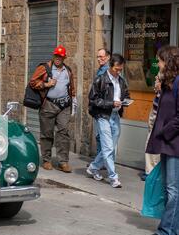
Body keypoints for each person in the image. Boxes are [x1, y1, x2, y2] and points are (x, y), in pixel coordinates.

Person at [145, 45, 179, 235]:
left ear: (168, 62)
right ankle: (172, 228)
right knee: (169, 188)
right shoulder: (169, 83)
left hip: (174, 143)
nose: (158, 64)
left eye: (160, 61)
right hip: (169, 143)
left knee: (173, 190)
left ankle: (166, 230)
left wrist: (165, 132)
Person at [29, 45, 76, 173]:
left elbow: (72, 88)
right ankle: (46, 160)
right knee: (47, 133)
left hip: (64, 106)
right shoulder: (44, 68)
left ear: (64, 57)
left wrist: (74, 102)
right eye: (56, 55)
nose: (58, 58)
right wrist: (46, 84)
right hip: (48, 104)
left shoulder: (68, 70)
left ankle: (63, 162)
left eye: (60, 56)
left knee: (63, 132)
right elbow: (32, 82)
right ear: (53, 55)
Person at [87, 54, 130, 188]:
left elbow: (126, 94)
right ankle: (113, 177)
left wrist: (126, 101)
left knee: (110, 148)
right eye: (116, 69)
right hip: (103, 116)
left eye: (120, 69)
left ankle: (93, 167)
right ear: (110, 66)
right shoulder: (100, 79)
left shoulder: (121, 81)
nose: (118, 72)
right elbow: (93, 100)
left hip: (115, 116)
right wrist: (111, 103)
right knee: (108, 147)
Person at [93, 48, 112, 169]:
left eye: (102, 56)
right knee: (100, 137)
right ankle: (102, 162)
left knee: (104, 138)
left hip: (104, 108)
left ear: (108, 57)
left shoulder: (108, 71)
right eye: (98, 57)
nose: (100, 59)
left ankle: (102, 163)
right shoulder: (100, 70)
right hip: (99, 107)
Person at [141, 73, 162, 181]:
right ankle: (150, 171)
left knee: (153, 143)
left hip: (158, 116)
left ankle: (151, 172)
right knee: (150, 141)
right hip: (155, 114)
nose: (155, 80)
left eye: (157, 80)